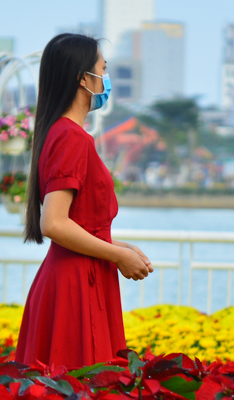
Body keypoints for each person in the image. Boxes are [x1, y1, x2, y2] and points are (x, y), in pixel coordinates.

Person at [16, 34, 153, 368]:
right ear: (83, 78)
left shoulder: (60, 133)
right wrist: (118, 255)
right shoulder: (71, 137)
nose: (106, 79)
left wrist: (120, 246)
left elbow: (75, 221)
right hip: (76, 283)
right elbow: (54, 223)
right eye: (102, 70)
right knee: (81, 394)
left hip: (77, 274)